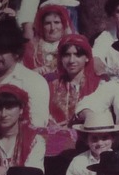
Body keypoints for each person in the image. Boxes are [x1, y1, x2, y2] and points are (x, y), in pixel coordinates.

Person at [42, 32, 102, 167]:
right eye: (67, 55)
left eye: (77, 55)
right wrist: (53, 125)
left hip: (86, 139)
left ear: (87, 57)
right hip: (56, 140)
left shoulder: (99, 84)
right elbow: (43, 112)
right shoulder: (51, 84)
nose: (71, 60)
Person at [23, 0, 77, 81]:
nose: (52, 28)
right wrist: (32, 73)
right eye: (48, 23)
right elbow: (20, 73)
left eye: (57, 22)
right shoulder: (30, 48)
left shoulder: (73, 46)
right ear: (42, 25)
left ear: (63, 25)